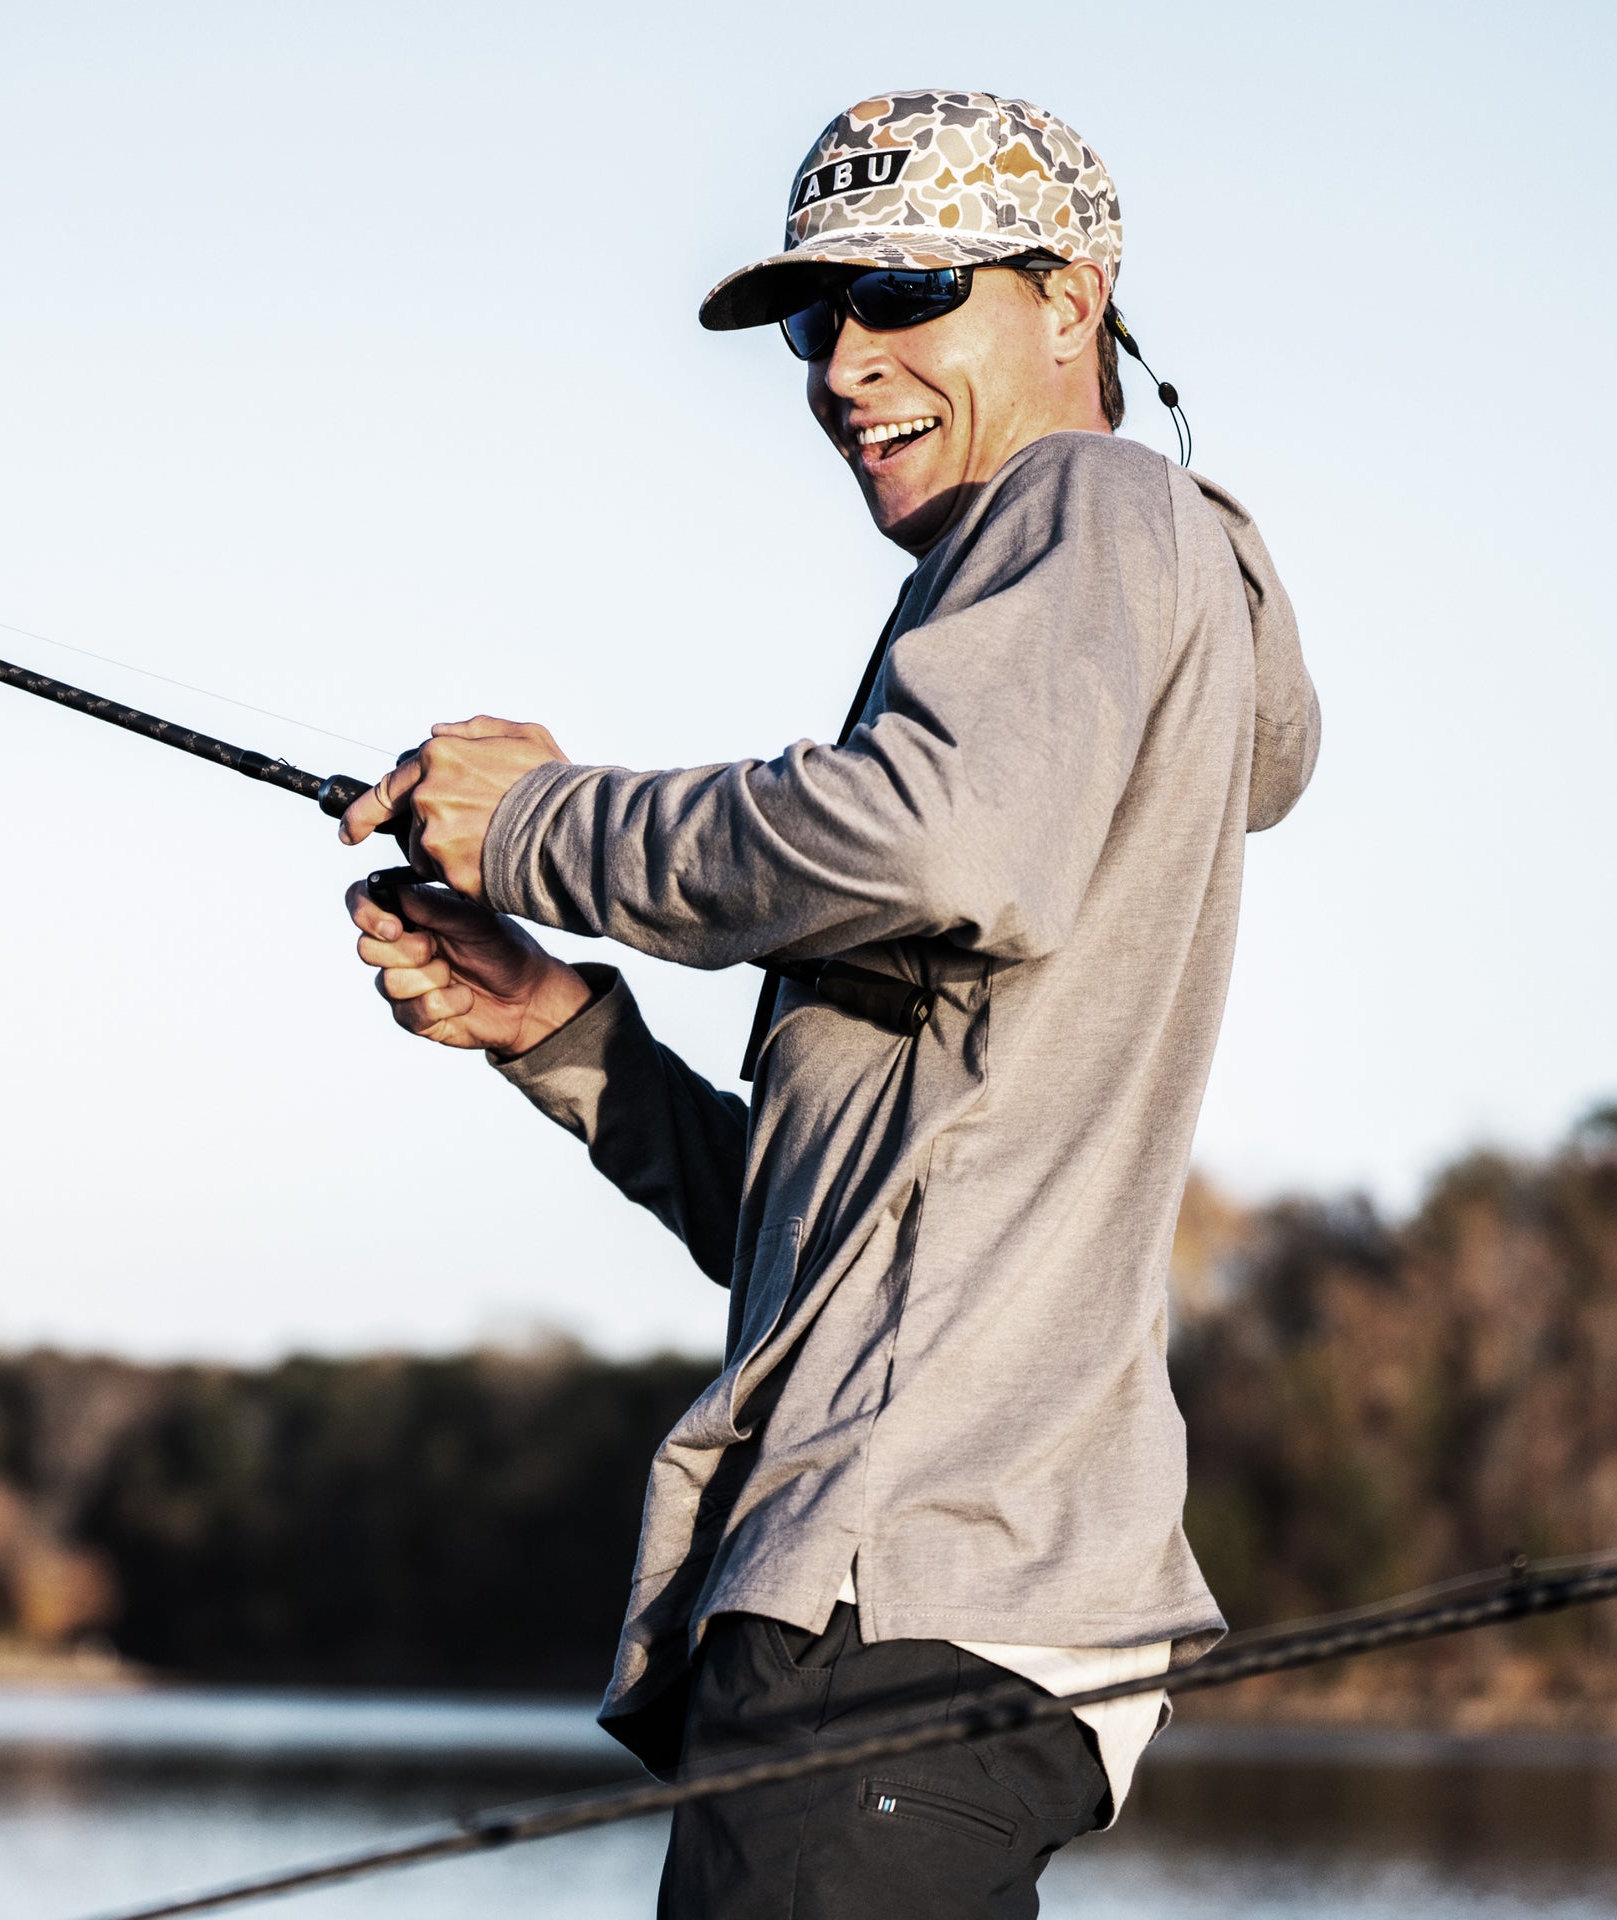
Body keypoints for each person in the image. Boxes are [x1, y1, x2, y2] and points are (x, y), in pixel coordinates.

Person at [339, 89, 1320, 1920]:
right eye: (814, 319)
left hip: (898, 1620)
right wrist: (568, 1037)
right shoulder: (1064, 635)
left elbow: (941, 836)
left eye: (900, 296)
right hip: (894, 1629)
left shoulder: (1090, 503)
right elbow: (843, 1254)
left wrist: (548, 824)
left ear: (1069, 298)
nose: (843, 363)